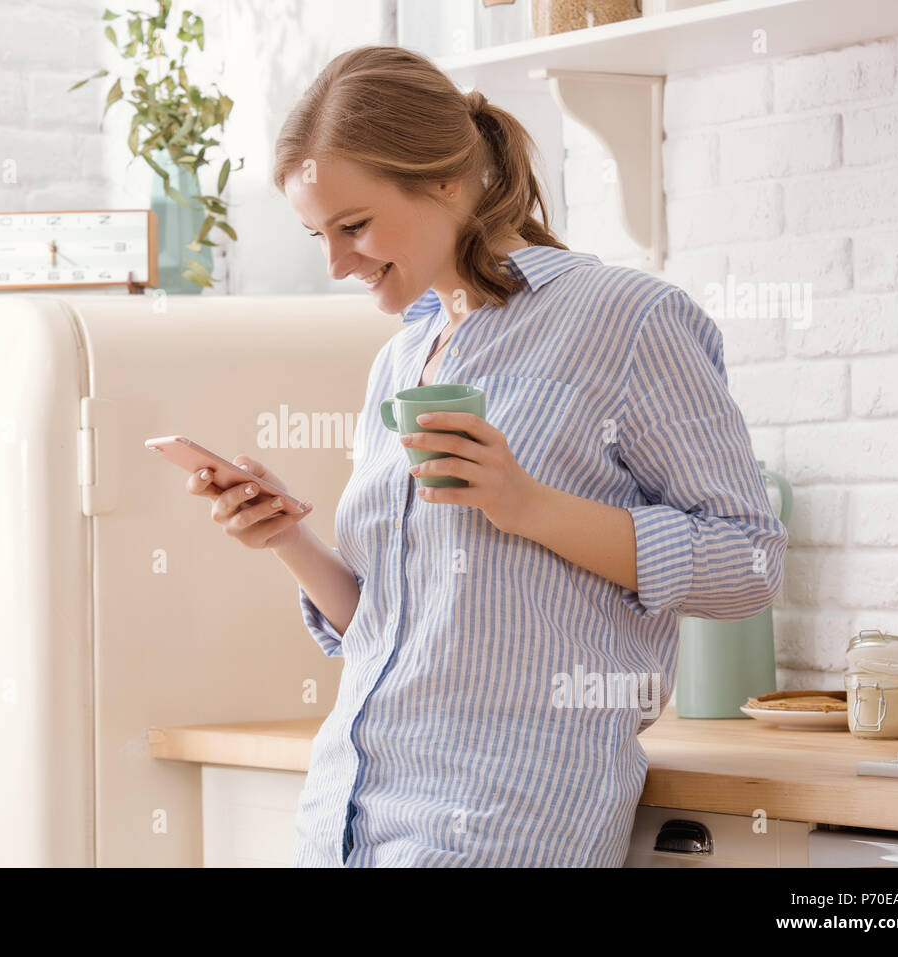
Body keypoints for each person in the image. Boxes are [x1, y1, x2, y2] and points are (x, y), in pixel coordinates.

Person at [183, 45, 788, 867]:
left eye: (353, 226)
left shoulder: (627, 319)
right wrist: (286, 536)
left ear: (445, 180)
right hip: (346, 817)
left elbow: (748, 560)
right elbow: (397, 632)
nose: (335, 263)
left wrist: (529, 504)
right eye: (318, 235)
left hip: (504, 820)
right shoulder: (401, 360)